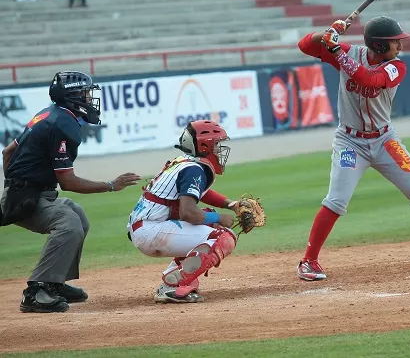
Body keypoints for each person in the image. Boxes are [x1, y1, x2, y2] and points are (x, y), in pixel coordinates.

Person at [295, 17, 410, 281]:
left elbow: (369, 79)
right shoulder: (350, 53)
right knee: (336, 200)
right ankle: (308, 261)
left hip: (384, 140)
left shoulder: (396, 67)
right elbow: (305, 46)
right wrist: (327, 34)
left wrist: (334, 49)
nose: (400, 46)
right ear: (380, 45)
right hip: (350, 142)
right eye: (395, 42)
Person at [1, 71, 141, 313]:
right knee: (68, 223)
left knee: (77, 214)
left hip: (29, 193)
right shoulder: (63, 123)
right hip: (27, 198)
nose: (89, 98)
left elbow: (7, 153)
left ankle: (54, 283)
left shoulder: (46, 113)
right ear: (72, 96)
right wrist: (110, 185)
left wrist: (13, 184)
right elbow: (68, 182)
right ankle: (36, 291)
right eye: (85, 93)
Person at [127, 120, 242, 303]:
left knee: (210, 222)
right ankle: (172, 285)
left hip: (148, 227)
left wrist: (231, 204)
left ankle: (174, 277)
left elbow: (196, 192)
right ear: (204, 146)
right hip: (151, 231)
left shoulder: (185, 162)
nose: (219, 150)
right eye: (216, 144)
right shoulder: (193, 169)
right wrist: (221, 217)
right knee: (222, 236)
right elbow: (188, 213)